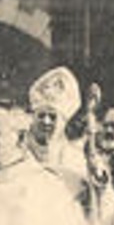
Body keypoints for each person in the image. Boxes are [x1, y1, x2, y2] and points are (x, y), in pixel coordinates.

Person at [26, 67, 87, 196]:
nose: (46, 121)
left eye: (53, 117)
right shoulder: (18, 151)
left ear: (63, 123)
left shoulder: (75, 157)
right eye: (41, 115)